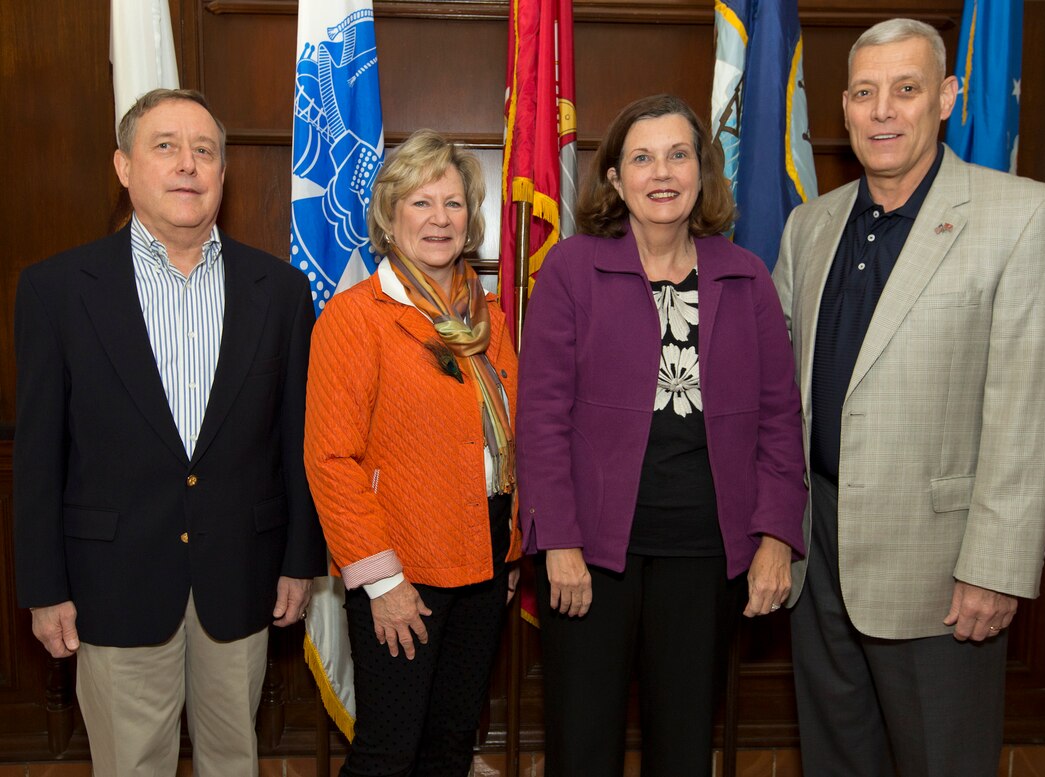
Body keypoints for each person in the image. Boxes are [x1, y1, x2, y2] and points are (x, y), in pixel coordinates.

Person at [773, 18, 1045, 776]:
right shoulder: (808, 228)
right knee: (836, 759)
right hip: (819, 554)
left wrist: (997, 566)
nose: (884, 111)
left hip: (942, 570)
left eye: (906, 90)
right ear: (843, 108)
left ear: (947, 97)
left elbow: (1033, 409)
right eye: (866, 93)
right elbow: (783, 391)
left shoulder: (1025, 216)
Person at [13, 88, 327, 777]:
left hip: (240, 577)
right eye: (165, 147)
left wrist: (299, 559)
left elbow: (294, 437)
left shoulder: (278, 291)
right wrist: (43, 585)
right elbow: (38, 453)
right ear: (123, 167)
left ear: (222, 171)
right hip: (112, 581)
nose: (188, 164)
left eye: (205, 150)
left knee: (232, 761)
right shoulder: (57, 290)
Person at [516, 94, 807, 777]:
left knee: (682, 749)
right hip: (590, 555)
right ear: (614, 178)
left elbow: (778, 420)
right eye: (641, 158)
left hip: (704, 555)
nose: (662, 172)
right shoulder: (571, 270)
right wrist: (557, 541)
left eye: (679, 155)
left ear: (703, 171)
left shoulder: (747, 277)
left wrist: (775, 538)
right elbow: (542, 419)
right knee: (582, 747)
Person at [304, 129, 521, 777]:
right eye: (422, 203)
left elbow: (513, 440)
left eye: (453, 204)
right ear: (390, 219)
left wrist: (511, 553)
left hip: (485, 556)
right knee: (387, 752)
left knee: (451, 744)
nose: (439, 219)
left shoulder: (487, 317)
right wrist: (384, 581)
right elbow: (331, 460)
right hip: (403, 569)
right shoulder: (354, 318)